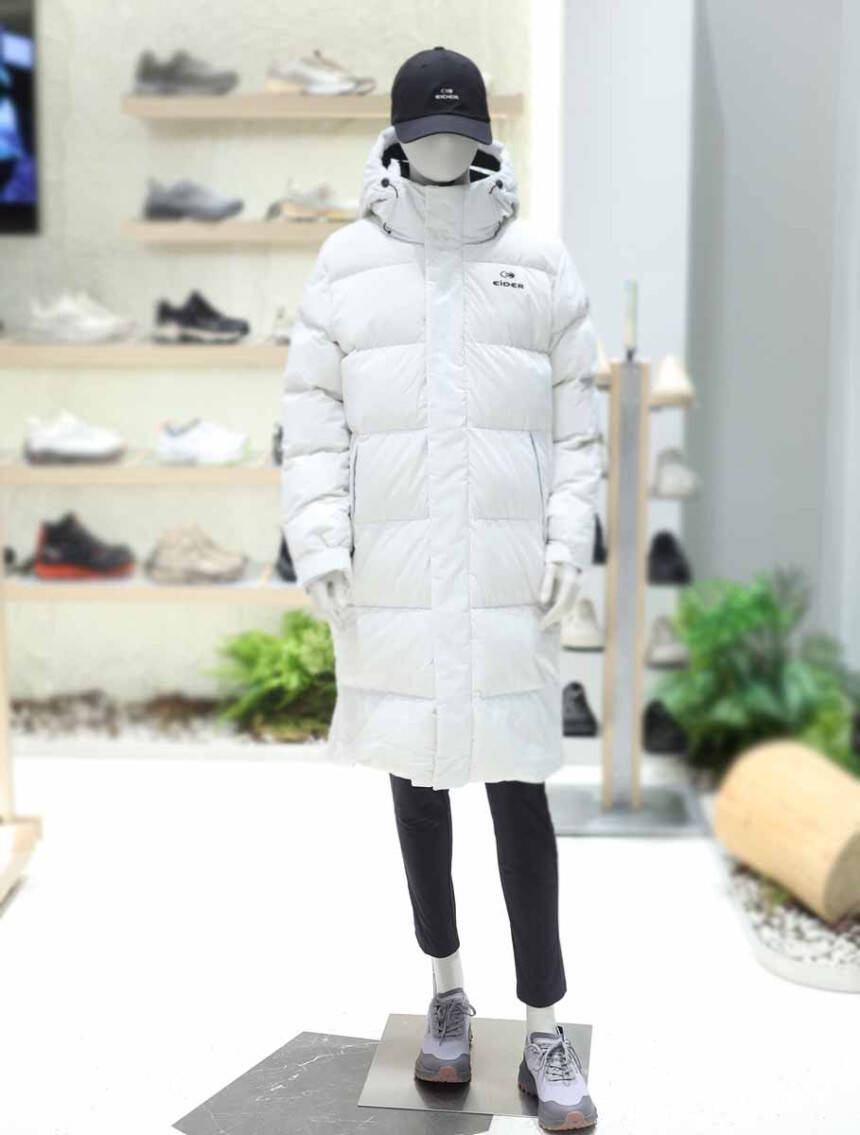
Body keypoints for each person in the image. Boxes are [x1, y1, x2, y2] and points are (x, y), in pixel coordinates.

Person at [280, 46, 600, 1132]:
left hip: (508, 579)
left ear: (488, 143)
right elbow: (312, 420)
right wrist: (319, 536)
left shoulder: (538, 261)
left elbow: (578, 426)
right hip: (397, 574)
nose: (445, 151)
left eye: (462, 135)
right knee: (416, 789)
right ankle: (446, 993)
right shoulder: (346, 264)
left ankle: (545, 1022)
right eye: (428, 135)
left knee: (519, 795)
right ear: (397, 142)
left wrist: (568, 532)